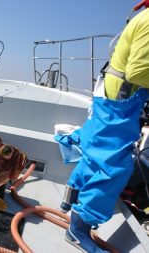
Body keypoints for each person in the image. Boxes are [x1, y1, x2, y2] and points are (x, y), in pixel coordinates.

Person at [58, 5, 149, 253]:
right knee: (114, 168)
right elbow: (139, 72)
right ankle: (77, 230)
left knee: (94, 153)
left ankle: (70, 201)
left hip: (112, 98)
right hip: (122, 102)